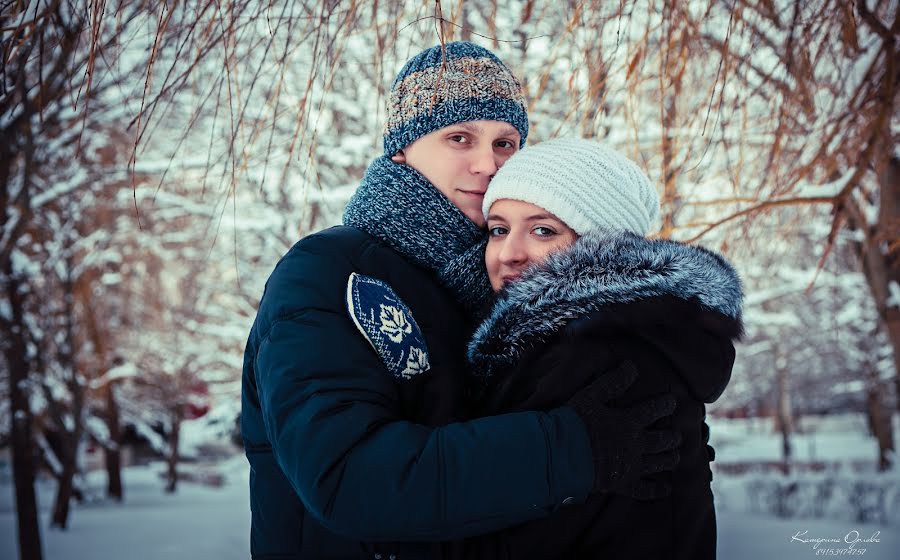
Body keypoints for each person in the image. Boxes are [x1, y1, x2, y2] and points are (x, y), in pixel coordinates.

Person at [241, 43, 680, 559]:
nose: (487, 164)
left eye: (506, 142)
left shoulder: (510, 279)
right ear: (402, 149)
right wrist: (570, 449)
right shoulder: (327, 271)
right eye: (459, 138)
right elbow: (346, 478)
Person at [450, 138, 743, 559]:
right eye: (498, 229)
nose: (509, 254)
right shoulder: (611, 336)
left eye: (542, 230)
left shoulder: (594, 355)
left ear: (602, 246)